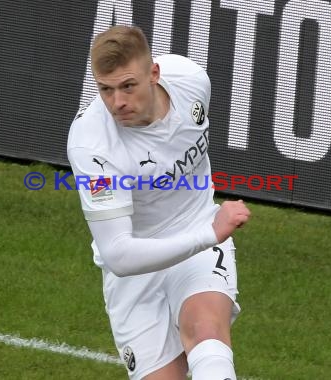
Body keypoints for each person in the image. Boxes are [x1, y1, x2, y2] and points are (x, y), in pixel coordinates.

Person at [67, 25, 251, 380]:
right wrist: (210, 234)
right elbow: (119, 254)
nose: (117, 102)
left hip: (196, 231)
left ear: (154, 74)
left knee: (206, 333)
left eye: (127, 86)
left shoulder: (192, 81)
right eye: (105, 89)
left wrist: (205, 235)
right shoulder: (93, 145)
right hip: (138, 268)